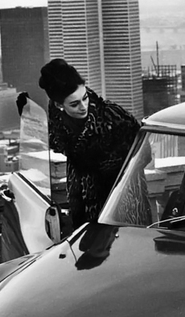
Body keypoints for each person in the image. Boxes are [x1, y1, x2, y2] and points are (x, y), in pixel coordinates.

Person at [38, 58, 141, 228]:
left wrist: (107, 166)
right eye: (74, 104)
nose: (83, 106)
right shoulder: (59, 122)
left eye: (85, 98)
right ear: (59, 105)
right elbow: (56, 142)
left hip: (120, 206)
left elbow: (143, 152)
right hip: (81, 207)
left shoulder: (112, 116)